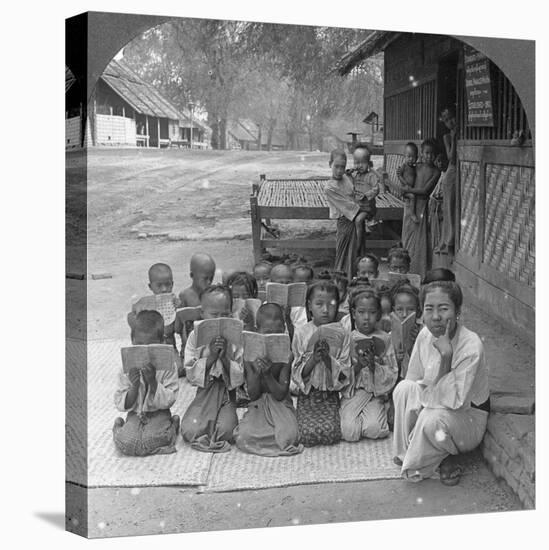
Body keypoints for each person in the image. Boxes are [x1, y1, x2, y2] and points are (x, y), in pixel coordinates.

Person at [392, 281, 490, 485]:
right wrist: (415, 407)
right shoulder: (425, 334)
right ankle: (417, 452)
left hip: (466, 417)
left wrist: (446, 357)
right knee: (403, 389)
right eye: (429, 309)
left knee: (431, 419)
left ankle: (444, 455)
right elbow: (413, 380)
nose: (436, 316)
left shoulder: (471, 345)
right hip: (433, 404)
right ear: (422, 313)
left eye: (444, 309)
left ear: (457, 312)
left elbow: (452, 402)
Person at [180, 285, 244, 452]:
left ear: (231, 312)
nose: (220, 319)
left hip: (226, 394)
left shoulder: (236, 336)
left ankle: (224, 417)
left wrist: (224, 357)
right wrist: (211, 357)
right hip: (204, 392)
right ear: (202, 313)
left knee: (226, 432)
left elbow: (241, 374)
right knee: (190, 431)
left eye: (225, 314)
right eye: (214, 315)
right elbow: (190, 372)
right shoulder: (195, 336)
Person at [234, 304, 303, 456]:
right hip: (258, 404)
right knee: (243, 436)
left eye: (277, 333)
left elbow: (280, 394)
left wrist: (268, 375)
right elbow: (253, 395)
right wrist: (258, 372)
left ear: (284, 330)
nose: (272, 338)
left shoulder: (287, 355)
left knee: (290, 436)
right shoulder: (249, 355)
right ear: (257, 330)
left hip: (280, 404)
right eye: (267, 333)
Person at [292, 281, 352, 446]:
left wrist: (327, 359)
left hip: (330, 394)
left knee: (331, 433)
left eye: (331, 304)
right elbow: (296, 371)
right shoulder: (301, 332)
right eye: (319, 304)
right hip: (308, 395)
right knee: (305, 435)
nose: (325, 310)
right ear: (309, 306)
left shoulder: (343, 333)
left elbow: (345, 371)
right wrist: (313, 360)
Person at [113, 310, 180, 456]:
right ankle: (118, 428)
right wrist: (134, 386)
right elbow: (120, 402)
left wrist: (153, 382)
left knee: (151, 440)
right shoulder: (127, 366)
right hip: (136, 413)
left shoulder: (168, 365)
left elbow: (169, 400)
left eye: (151, 345)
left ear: (162, 342)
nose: (146, 352)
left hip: (159, 413)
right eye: (140, 345)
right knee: (129, 443)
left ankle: (173, 425)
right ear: (132, 340)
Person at [340, 289, 398, 442]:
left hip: (374, 394)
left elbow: (392, 371)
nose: (366, 318)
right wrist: (359, 365)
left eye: (372, 312)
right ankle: (357, 417)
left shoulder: (385, 339)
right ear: (353, 314)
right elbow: (339, 374)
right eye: (361, 312)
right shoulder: (347, 339)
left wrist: (374, 366)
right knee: (349, 433)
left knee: (375, 430)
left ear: (378, 314)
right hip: (352, 394)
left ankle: (371, 416)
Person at [324, 150, 368, 281]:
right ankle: (342, 284)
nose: (339, 170)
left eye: (342, 167)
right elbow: (348, 206)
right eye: (336, 166)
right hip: (346, 222)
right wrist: (364, 210)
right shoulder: (329, 188)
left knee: (357, 253)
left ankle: (357, 281)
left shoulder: (347, 178)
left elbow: (354, 192)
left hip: (358, 220)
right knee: (344, 256)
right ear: (330, 164)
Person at [400, 139, 440, 278]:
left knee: (421, 241)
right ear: (421, 153)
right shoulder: (416, 166)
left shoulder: (436, 172)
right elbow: (405, 174)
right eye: (426, 153)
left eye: (432, 154)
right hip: (411, 205)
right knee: (408, 237)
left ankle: (419, 274)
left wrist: (409, 190)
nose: (429, 156)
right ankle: (404, 269)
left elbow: (425, 191)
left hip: (422, 207)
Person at [127, 263, 180, 349]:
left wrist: (179, 310)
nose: (164, 289)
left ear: (172, 284)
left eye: (168, 284)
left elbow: (178, 329)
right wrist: (136, 312)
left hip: (170, 351)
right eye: (159, 285)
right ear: (150, 286)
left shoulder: (175, 303)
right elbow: (131, 320)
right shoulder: (144, 305)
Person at [177, 253, 216, 349]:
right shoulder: (185, 295)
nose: (209, 282)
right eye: (205, 278)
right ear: (192, 275)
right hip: (190, 346)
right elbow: (178, 328)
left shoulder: (214, 295)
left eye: (211, 278)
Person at [350, 145, 382, 251]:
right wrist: (348, 174)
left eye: (362, 162)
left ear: (368, 163)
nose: (359, 165)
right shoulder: (355, 175)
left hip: (367, 207)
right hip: (357, 206)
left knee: (358, 221)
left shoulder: (371, 176)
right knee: (350, 220)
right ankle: (356, 240)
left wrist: (366, 195)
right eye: (356, 162)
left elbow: (376, 189)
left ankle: (358, 246)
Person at [390, 281, 421, 379]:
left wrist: (415, 344)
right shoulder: (389, 336)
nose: (404, 314)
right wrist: (397, 360)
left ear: (418, 311)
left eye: (410, 309)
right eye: (399, 309)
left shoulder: (423, 334)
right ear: (393, 310)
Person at [438, 107, 458, 255]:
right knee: (449, 207)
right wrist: (454, 138)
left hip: (460, 174)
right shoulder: (447, 137)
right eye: (446, 120)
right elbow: (451, 156)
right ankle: (449, 241)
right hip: (451, 174)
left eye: (452, 117)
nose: (450, 122)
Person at [396, 142, 419, 223]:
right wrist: (405, 183)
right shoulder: (404, 166)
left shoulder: (414, 167)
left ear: (416, 157)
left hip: (410, 188)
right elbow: (399, 176)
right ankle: (412, 214)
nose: (411, 159)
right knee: (412, 196)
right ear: (404, 156)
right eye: (408, 157)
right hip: (404, 189)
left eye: (413, 157)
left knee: (414, 195)